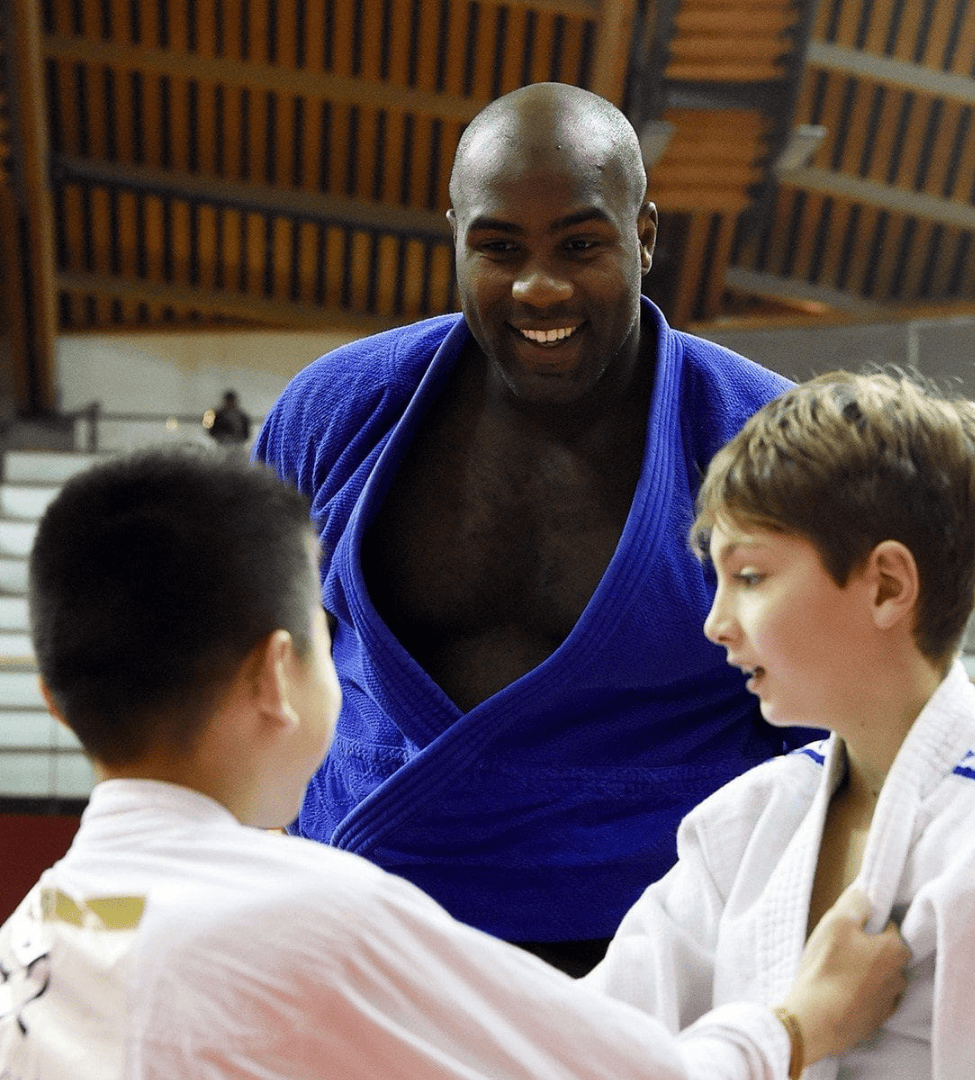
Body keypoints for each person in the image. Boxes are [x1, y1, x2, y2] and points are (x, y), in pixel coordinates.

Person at [0, 445, 910, 1080]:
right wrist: (800, 1025)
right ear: (279, 673)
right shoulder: (312, 915)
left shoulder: (36, 931)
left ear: (56, 698)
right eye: (329, 640)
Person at [255, 81, 817, 973]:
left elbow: (831, 732)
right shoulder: (332, 412)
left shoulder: (763, 439)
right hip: (370, 923)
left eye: (581, 244)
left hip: (664, 947)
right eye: (499, 247)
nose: (539, 286)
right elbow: (252, 668)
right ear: (454, 235)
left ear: (645, 234)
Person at [583, 370, 975, 1077]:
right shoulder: (745, 824)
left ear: (886, 586)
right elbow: (585, 1048)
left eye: (750, 577)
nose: (716, 624)